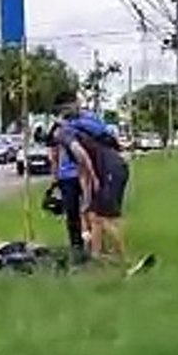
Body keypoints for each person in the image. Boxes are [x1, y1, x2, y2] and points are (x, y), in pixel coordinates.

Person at [53, 94, 130, 262]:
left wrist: (94, 178)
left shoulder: (65, 133)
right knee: (95, 216)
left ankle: (124, 259)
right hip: (112, 168)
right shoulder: (79, 127)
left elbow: (82, 157)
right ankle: (96, 256)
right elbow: (83, 171)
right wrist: (87, 199)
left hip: (111, 169)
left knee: (103, 217)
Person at [46, 122, 89, 263]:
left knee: (73, 213)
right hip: (74, 176)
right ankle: (85, 243)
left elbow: (53, 158)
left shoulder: (60, 136)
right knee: (85, 210)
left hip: (69, 178)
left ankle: (79, 245)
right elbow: (53, 158)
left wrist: (55, 179)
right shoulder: (73, 133)